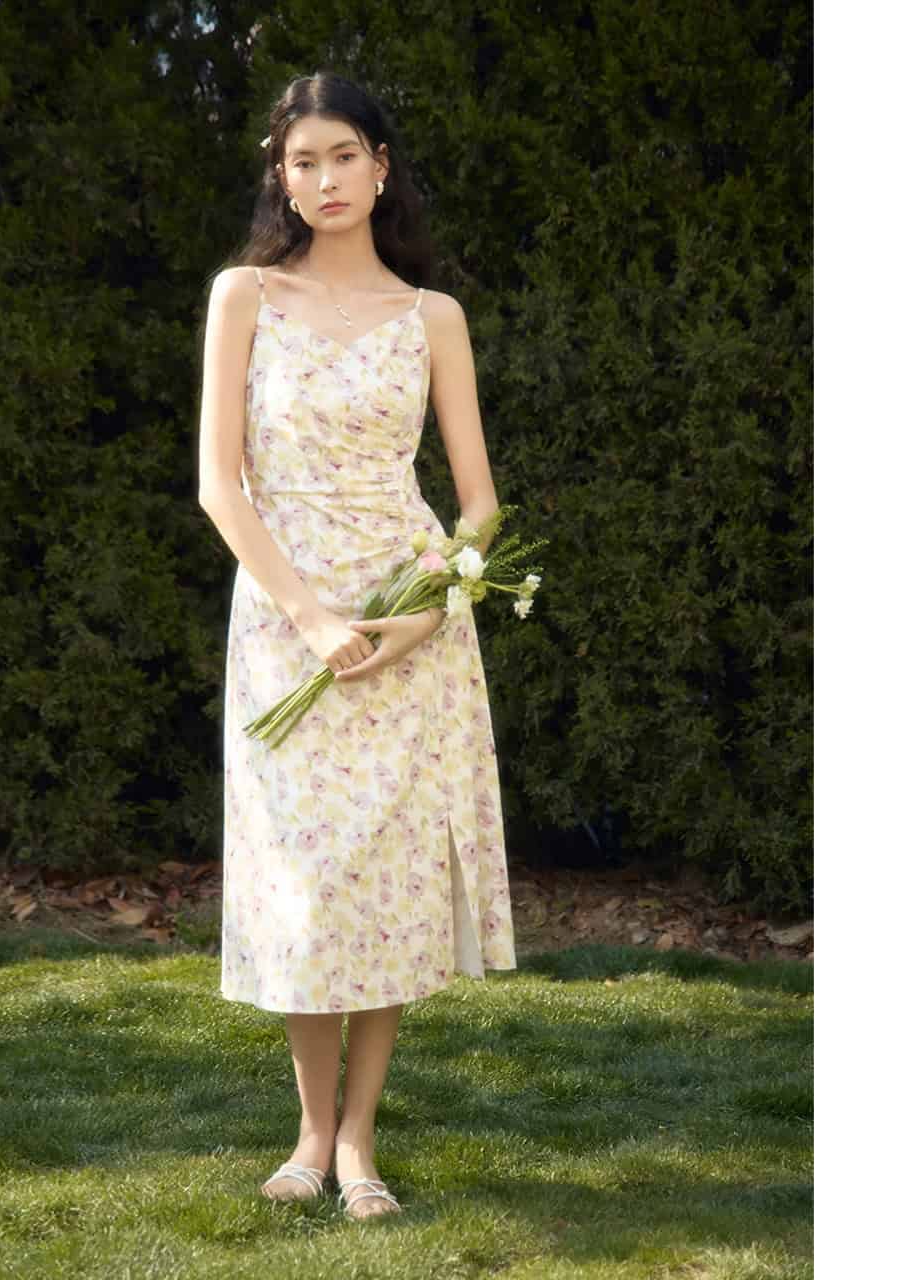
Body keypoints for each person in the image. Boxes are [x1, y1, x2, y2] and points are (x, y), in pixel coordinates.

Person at [196, 72, 517, 1219]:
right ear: (280, 179)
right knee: (305, 881)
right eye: (299, 162)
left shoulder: (432, 318)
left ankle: (360, 1141)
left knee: (383, 885)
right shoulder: (245, 296)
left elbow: (475, 502)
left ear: (381, 165)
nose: (321, 180)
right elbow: (220, 485)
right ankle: (306, 1127)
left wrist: (428, 604)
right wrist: (311, 615)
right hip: (289, 621)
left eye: (342, 156)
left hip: (407, 616)